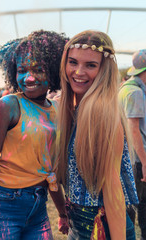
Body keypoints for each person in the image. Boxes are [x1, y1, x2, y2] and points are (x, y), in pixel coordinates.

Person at [0, 30, 69, 240]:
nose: (29, 77)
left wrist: (62, 212)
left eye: (39, 70)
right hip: (3, 205)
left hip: (39, 206)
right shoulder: (9, 105)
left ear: (52, 71)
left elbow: (50, 168)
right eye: (22, 70)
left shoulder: (59, 108)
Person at [56, 30, 139, 239]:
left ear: (104, 70)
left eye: (90, 65)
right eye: (73, 62)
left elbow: (112, 190)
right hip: (81, 224)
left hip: (101, 228)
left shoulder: (100, 112)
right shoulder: (76, 108)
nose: (78, 72)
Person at [119, 49, 146, 240]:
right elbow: (134, 129)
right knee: (142, 206)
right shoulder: (135, 92)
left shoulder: (126, 88)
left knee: (130, 204)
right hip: (137, 160)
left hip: (128, 157)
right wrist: (145, 163)